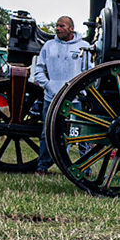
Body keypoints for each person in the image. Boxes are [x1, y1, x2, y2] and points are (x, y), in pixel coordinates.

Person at [27, 15, 94, 172]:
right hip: (51, 98)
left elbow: (89, 72)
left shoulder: (84, 47)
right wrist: (49, 85)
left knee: (80, 134)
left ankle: (85, 169)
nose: (57, 28)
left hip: (75, 100)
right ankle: (42, 167)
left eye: (62, 26)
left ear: (71, 28)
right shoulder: (49, 46)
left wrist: (79, 90)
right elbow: (39, 70)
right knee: (47, 133)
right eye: (57, 25)